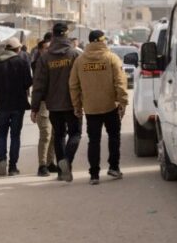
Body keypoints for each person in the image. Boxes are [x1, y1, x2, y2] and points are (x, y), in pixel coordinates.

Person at [69, 30, 128, 185]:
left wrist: (77, 105)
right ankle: (114, 167)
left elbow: (73, 85)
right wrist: (122, 102)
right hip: (110, 107)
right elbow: (120, 83)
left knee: (93, 141)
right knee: (114, 137)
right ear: (102, 41)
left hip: (91, 108)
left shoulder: (80, 61)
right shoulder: (111, 58)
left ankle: (94, 175)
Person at [30, 23, 81, 183]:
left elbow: (39, 83)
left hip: (53, 104)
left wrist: (35, 107)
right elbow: (82, 80)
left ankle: (61, 171)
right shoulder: (74, 54)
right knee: (75, 133)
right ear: (66, 34)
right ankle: (67, 161)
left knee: (59, 135)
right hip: (72, 103)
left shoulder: (45, 57)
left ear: (53, 35)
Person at [0, 37, 32, 176]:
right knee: (15, 135)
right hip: (18, 104)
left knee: (2, 134)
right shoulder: (22, 62)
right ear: (18, 49)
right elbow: (28, 82)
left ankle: (2, 160)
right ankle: (12, 167)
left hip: (1, 105)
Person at [33, 38, 57, 177]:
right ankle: (42, 165)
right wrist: (34, 108)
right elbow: (37, 87)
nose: (48, 51)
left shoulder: (54, 62)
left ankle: (50, 162)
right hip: (43, 104)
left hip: (55, 103)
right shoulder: (38, 64)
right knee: (45, 134)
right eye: (46, 48)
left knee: (54, 134)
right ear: (40, 50)